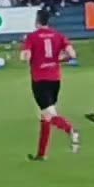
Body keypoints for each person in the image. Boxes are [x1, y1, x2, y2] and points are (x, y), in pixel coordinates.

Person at [21, 9, 80, 161]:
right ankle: (41, 154)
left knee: (49, 114)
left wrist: (28, 56)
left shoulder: (32, 37)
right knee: (45, 116)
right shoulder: (58, 35)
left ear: (37, 21)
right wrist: (58, 60)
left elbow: (25, 57)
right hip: (55, 79)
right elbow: (72, 54)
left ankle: (70, 129)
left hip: (40, 80)